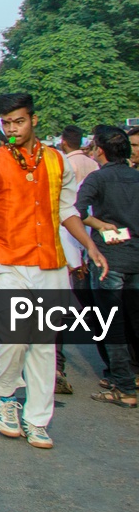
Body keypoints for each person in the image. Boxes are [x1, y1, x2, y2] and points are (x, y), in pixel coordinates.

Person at [0, 93, 106, 449]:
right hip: (3, 259)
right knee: (14, 337)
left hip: (49, 262)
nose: (12, 129)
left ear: (34, 120)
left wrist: (89, 244)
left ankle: (38, 418)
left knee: (44, 344)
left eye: (19, 122)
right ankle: (5, 395)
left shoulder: (58, 161)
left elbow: (67, 211)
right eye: (7, 124)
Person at [77, 124, 139, 408]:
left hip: (108, 260)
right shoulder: (135, 177)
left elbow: (76, 212)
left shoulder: (98, 179)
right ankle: (129, 378)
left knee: (111, 324)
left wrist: (99, 225)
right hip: (135, 257)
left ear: (99, 150)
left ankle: (123, 385)